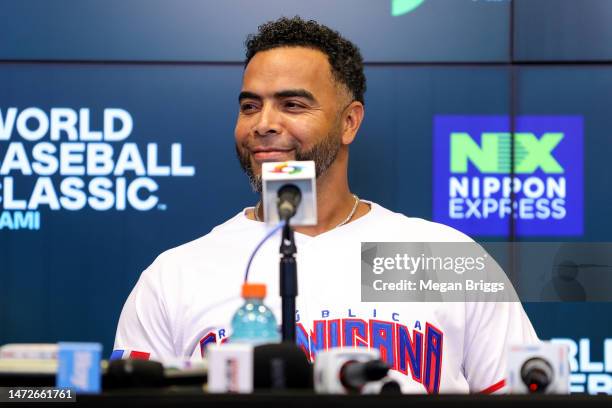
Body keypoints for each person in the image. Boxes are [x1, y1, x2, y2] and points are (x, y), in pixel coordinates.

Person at [113, 16, 538, 394]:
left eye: (292, 104)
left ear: (349, 121)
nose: (264, 124)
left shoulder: (445, 258)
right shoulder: (175, 275)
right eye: (250, 106)